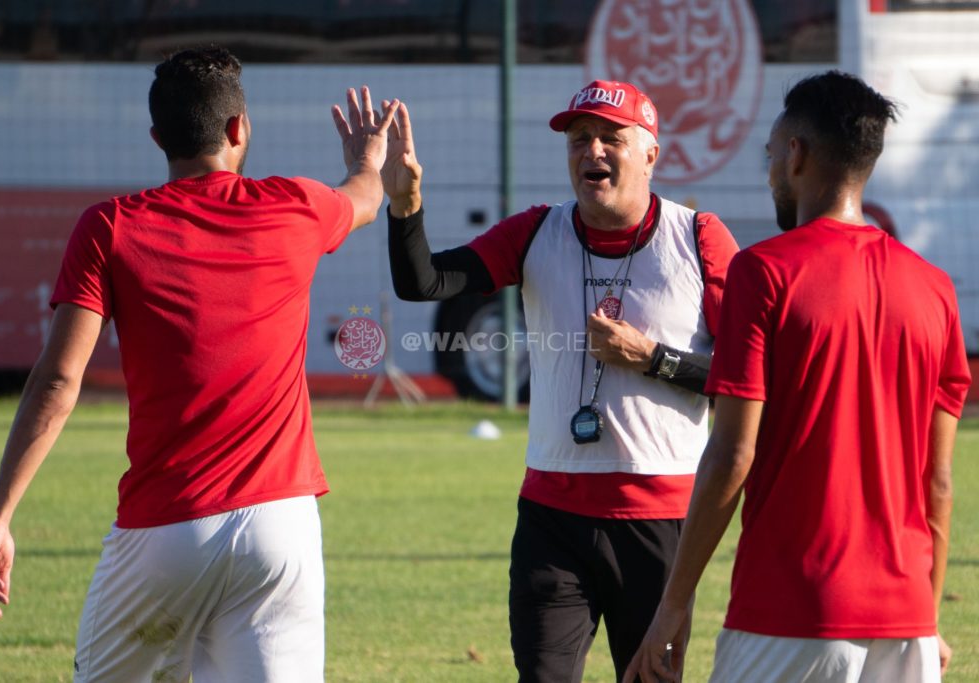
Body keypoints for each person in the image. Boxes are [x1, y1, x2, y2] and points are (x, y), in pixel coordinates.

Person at [0, 46, 398, 682]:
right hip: (283, 530)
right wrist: (367, 160)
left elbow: (59, 381)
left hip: (165, 529)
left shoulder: (109, 228)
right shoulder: (297, 207)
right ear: (238, 129)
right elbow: (365, 197)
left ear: (157, 137)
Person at [382, 80, 739, 682]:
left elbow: (748, 378)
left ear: (651, 154)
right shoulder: (535, 231)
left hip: (659, 519)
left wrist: (653, 357)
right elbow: (424, 283)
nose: (591, 151)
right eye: (579, 139)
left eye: (610, 138)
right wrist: (405, 206)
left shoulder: (699, 238)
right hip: (551, 515)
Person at [627, 70, 972, 683]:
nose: (768, 173)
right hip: (910, 623)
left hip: (791, 614)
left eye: (770, 155)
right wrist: (928, 616)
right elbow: (938, 482)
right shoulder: (936, 290)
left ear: (796, 154)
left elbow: (733, 454)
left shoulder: (764, 273)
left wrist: (670, 608)